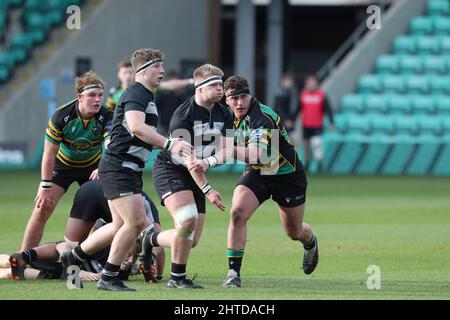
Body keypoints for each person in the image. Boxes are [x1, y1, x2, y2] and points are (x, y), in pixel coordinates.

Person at [59, 48, 192, 292]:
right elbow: (137, 127)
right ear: (142, 71)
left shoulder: (145, 95)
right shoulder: (136, 93)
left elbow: (137, 135)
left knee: (121, 225)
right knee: (137, 222)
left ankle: (75, 256)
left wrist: (165, 148)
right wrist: (170, 143)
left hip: (126, 168)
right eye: (157, 67)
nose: (162, 71)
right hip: (120, 167)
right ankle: (108, 278)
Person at [193, 75, 319, 288]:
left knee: (294, 232)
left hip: (286, 175)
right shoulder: (225, 116)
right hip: (258, 172)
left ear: (250, 95)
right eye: (234, 98)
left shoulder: (262, 118)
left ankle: (311, 242)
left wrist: (224, 151)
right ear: (226, 100)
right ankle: (233, 273)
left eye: (243, 97)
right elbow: (228, 150)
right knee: (237, 212)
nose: (239, 103)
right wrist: (207, 161)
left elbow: (257, 154)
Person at [141, 63, 231, 289]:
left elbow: (228, 150)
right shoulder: (183, 115)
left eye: (221, 84)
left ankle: (148, 239)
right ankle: (177, 278)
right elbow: (190, 161)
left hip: (195, 172)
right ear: (199, 89)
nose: (220, 89)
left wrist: (209, 162)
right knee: (187, 219)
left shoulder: (225, 112)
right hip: (172, 168)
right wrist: (208, 190)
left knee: (191, 240)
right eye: (214, 85)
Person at [20, 71, 113, 251]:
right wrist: (45, 185)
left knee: (103, 212)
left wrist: (103, 167)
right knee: (42, 208)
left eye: (100, 95)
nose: (97, 100)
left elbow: (111, 146)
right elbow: (49, 153)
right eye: (92, 95)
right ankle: (24, 258)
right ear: (80, 96)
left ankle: (87, 256)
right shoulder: (61, 116)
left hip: (93, 167)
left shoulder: (108, 116)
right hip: (63, 167)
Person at [6, 179, 164, 283]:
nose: (132, 259)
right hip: (110, 192)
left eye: (135, 257)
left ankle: (22, 258)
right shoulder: (107, 249)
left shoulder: (117, 262)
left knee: (53, 263)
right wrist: (77, 274)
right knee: (68, 249)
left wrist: (142, 268)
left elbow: (100, 225)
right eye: (132, 254)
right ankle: (24, 258)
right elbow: (63, 247)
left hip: (98, 189)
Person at [299, 74, 334, 172]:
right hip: (306, 125)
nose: (310, 84)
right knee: (306, 146)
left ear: (316, 83)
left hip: (317, 125)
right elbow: (298, 108)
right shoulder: (303, 94)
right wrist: (292, 119)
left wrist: (331, 122)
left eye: (312, 82)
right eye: (309, 83)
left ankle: (319, 164)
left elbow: (328, 109)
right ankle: (307, 163)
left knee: (317, 144)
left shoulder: (321, 95)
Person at [273, 71, 299, 144]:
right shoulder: (280, 92)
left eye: (291, 81)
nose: (290, 83)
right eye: (288, 81)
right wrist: (286, 119)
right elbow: (279, 108)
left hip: (283, 121)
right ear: (283, 81)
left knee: (290, 142)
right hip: (278, 121)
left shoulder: (288, 92)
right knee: (275, 145)